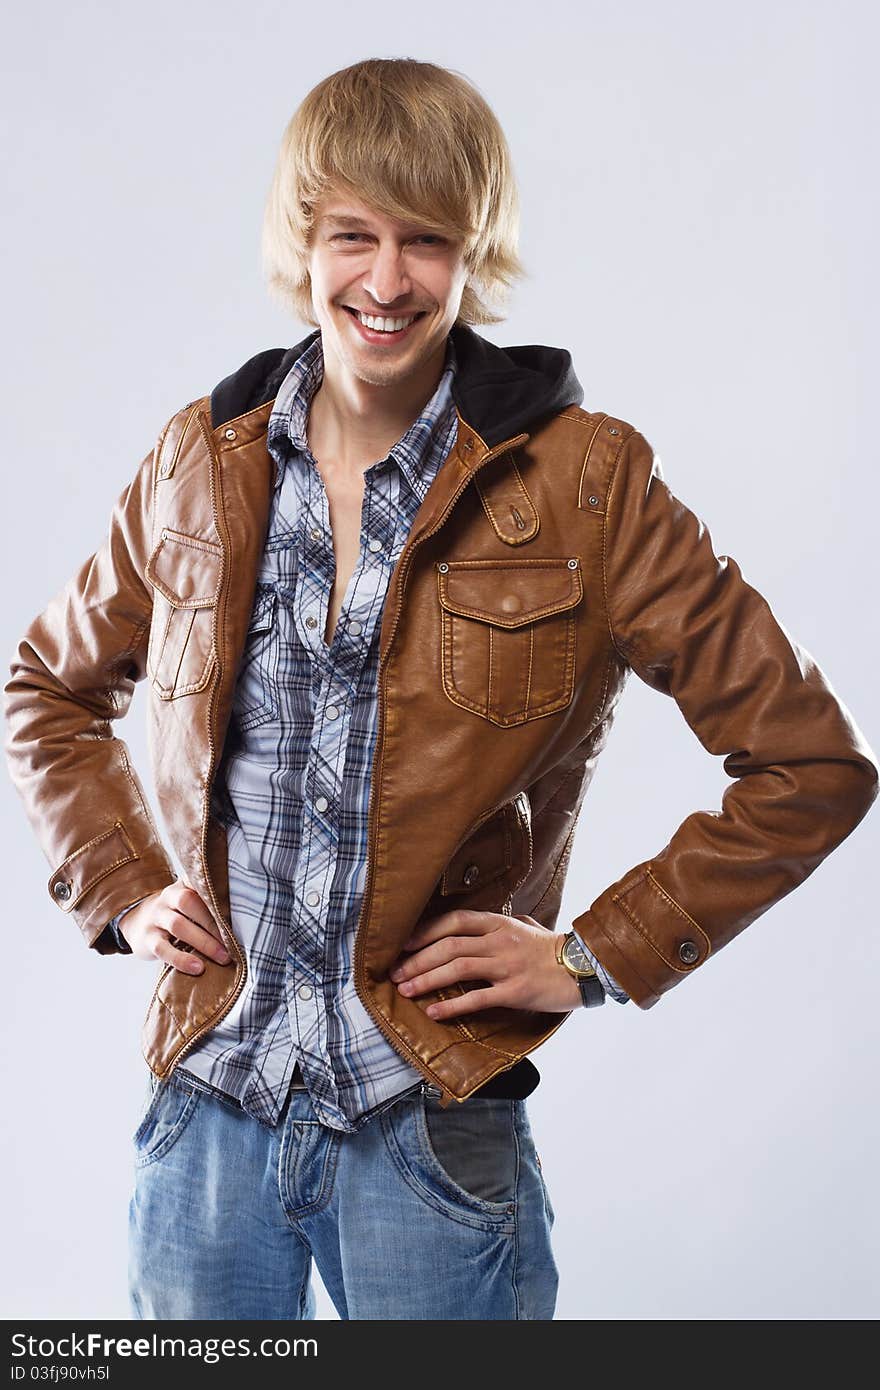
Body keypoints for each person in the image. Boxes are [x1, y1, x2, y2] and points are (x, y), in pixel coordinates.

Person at [4, 56, 877, 1322]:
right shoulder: (201, 459)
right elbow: (46, 684)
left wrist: (588, 958)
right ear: (304, 242)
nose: (386, 280)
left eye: (426, 240)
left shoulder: (587, 484)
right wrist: (125, 886)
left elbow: (812, 762)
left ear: (473, 255)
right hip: (206, 1119)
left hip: (426, 1130)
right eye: (352, 234)